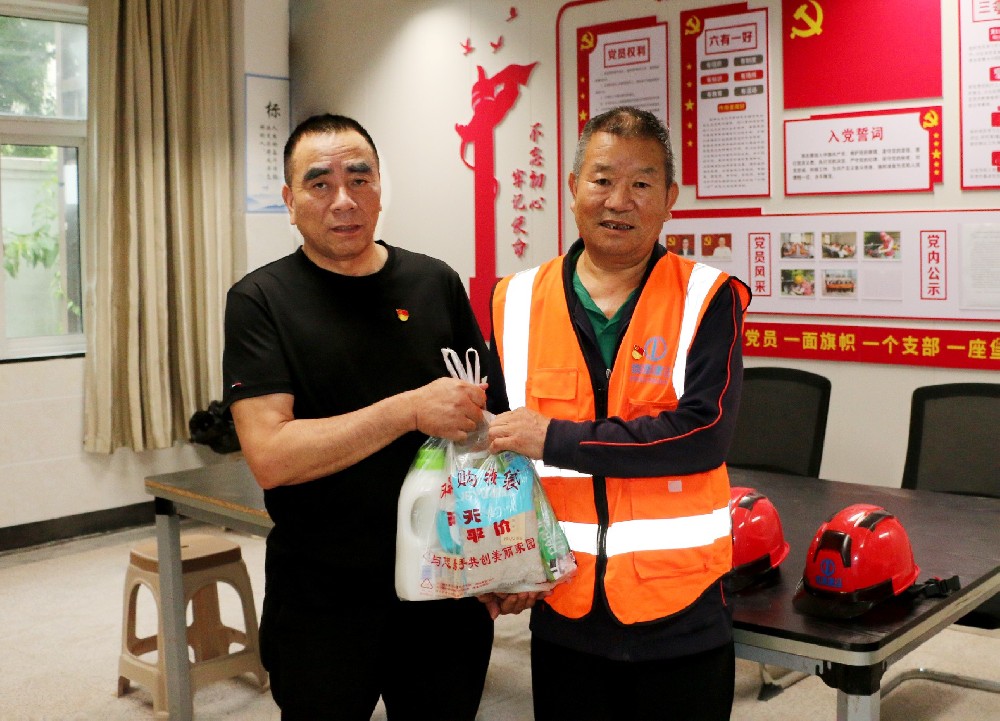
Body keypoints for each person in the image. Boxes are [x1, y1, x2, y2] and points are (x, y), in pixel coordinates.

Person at [222, 113, 498, 719]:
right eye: (320, 184)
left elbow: (487, 426)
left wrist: (507, 556)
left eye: (359, 178)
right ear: (290, 202)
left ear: (379, 188)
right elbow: (271, 457)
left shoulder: (434, 282)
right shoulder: (260, 301)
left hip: (446, 581)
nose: (343, 200)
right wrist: (409, 409)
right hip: (324, 592)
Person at [482, 106, 751, 721]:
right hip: (563, 603)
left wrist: (555, 438)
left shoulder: (707, 297)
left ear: (670, 198)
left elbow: (702, 435)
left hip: (680, 606)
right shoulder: (513, 300)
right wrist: (504, 560)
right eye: (602, 179)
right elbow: (494, 450)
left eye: (641, 183)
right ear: (572, 187)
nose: (619, 201)